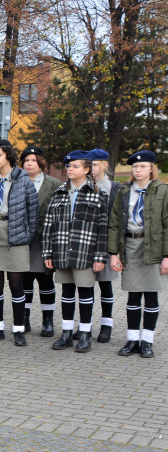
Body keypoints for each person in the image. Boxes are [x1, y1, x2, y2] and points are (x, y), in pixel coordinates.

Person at [43, 150, 109, 353]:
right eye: (68, 166)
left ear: (87, 169)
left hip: (84, 252)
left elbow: (103, 228)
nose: (70, 169)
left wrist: (100, 256)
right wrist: (48, 253)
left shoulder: (97, 194)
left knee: (85, 293)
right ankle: (66, 333)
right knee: (67, 293)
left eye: (75, 166)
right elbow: (48, 225)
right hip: (62, 250)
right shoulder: (59, 193)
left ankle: (85, 334)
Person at [0, 140, 38, 346]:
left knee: (16, 285)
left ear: (9, 156)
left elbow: (33, 213)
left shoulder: (23, 180)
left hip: (16, 234)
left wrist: (25, 236)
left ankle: (19, 330)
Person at [109, 150, 166, 358]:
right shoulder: (124, 191)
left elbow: (167, 224)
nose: (138, 170)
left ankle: (147, 341)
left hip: (153, 246)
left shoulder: (162, 191)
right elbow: (114, 223)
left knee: (151, 294)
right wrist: (113, 253)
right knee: (133, 295)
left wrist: (167, 256)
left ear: (152, 169)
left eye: (143, 166)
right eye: (135, 167)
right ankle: (133, 340)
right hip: (130, 245)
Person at [21, 146, 61, 336]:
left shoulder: (53, 184)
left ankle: (47, 320)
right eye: (26, 161)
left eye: (33, 160)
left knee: (45, 282)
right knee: (25, 281)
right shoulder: (17, 183)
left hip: (44, 241)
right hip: (23, 241)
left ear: (41, 162)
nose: (29, 163)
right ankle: (25, 318)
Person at [87, 148, 123, 342]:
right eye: (89, 165)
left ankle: (107, 323)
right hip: (86, 243)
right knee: (85, 286)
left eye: (94, 164)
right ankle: (87, 323)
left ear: (104, 165)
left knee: (105, 285)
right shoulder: (83, 186)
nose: (91, 168)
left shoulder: (114, 188)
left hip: (106, 243)